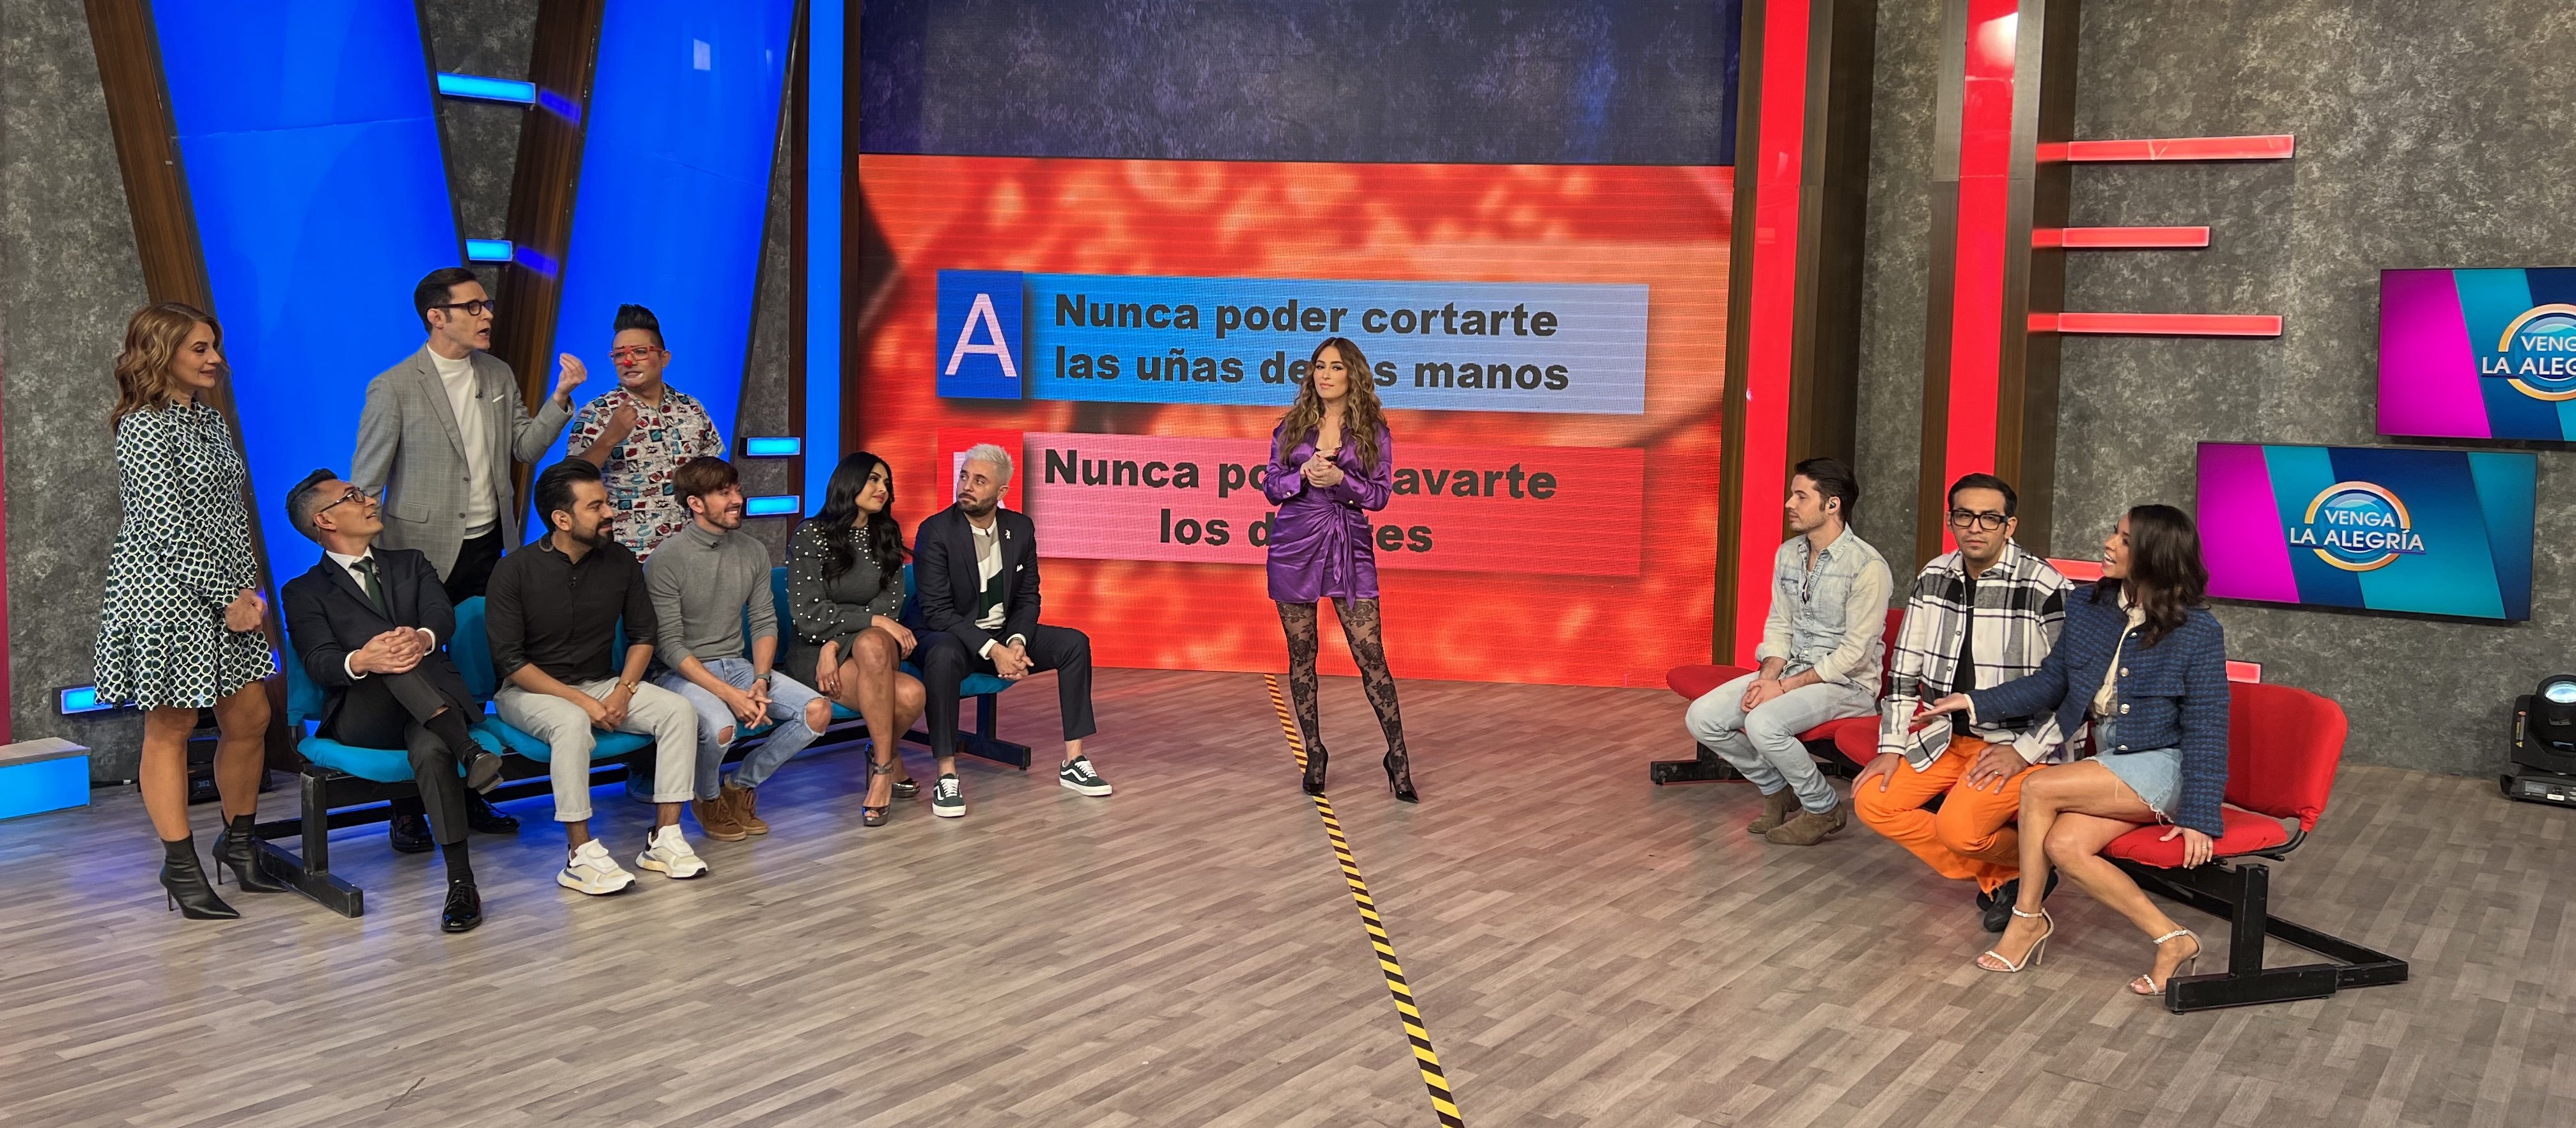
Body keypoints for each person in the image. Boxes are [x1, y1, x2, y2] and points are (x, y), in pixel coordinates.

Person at [1915, 505, 2229, 996]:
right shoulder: (2089, 605)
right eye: (2114, 533)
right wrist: (1975, 701)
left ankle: (2027, 919)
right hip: (2112, 762)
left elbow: (2208, 726)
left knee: (2039, 788)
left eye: (2125, 540)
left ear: (2155, 555)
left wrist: (2201, 816)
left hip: (2166, 765)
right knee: (2063, 846)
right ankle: (2173, 939)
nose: (2109, 544)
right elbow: (2052, 682)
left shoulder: (2198, 631)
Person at [355, 265, 584, 850]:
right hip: (417, 551)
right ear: (437, 316)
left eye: (488, 306)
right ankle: (408, 807)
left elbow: (524, 448)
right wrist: (367, 562)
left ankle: (473, 789)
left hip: (490, 544)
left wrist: (561, 399)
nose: (488, 315)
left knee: (478, 666)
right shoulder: (393, 386)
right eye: (474, 306)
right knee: (415, 670)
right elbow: (367, 480)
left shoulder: (497, 372)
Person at [91, 302, 282, 920]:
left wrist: (249, 589)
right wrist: (224, 596)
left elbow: (230, 514)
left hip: (228, 592)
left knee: (250, 717)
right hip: (166, 596)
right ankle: (179, 866)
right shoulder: (142, 426)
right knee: (171, 727)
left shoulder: (210, 419)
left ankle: (240, 844)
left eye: (214, 347)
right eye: (200, 349)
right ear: (161, 352)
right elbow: (165, 531)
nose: (215, 359)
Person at [279, 470, 506, 932]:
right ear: (325, 520)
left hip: (430, 708)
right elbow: (320, 660)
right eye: (352, 496)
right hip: (365, 714)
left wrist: (421, 638)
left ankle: (461, 883)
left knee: (431, 747)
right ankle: (469, 750)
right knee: (389, 660)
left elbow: (441, 615)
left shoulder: (410, 562)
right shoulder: (303, 590)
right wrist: (364, 659)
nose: (369, 500)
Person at [1853, 474, 2072, 932]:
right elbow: (1903, 672)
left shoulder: (2045, 585)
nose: (1976, 527)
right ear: (1949, 520)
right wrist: (1891, 747)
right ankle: (2010, 872)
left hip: (2015, 743)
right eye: (1965, 516)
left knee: (1958, 830)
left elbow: (2074, 688)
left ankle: (2026, 869)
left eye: (1990, 518)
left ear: (2010, 526)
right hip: (1945, 738)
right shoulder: (1934, 576)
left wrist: (2024, 752)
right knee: (1872, 801)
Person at [487, 459, 706, 893]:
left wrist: (623, 691)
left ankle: (664, 838)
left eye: (606, 502)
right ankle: (579, 855)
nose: (610, 513)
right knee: (571, 722)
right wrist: (583, 702)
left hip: (603, 682)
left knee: (679, 711)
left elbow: (644, 635)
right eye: (596, 506)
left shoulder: (620, 560)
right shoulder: (514, 570)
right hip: (528, 690)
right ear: (562, 519)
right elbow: (511, 662)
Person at [1682, 457, 1892, 846]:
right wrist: (1767, 678)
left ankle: (1823, 807)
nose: (1789, 504)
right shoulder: (1789, 554)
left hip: (1847, 686)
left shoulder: (1868, 567)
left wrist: (1782, 688)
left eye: (1800, 496)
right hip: (1790, 671)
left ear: (1832, 504)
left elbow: (1855, 653)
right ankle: (1778, 788)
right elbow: (1780, 624)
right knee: (1703, 718)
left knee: (1764, 723)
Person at [912, 444, 1111, 817]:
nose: (966, 486)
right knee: (943, 654)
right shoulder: (936, 531)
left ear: (1001, 491)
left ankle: (1074, 761)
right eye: (964, 476)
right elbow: (937, 613)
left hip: (1003, 635)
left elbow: (1028, 596)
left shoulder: (1020, 528)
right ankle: (947, 774)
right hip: (950, 636)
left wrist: (1017, 641)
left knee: (1074, 644)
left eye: (979, 480)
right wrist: (994, 650)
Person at [646, 457, 834, 840]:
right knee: (722, 728)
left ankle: (739, 786)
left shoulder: (752, 550)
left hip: (739, 666)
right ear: (695, 503)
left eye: (736, 489)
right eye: (724, 493)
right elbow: (669, 646)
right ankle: (707, 796)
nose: (737, 499)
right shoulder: (665, 559)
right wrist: (730, 695)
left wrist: (761, 680)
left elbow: (764, 620)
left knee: (816, 712)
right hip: (681, 673)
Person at [1260, 336, 1414, 801]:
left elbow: (1380, 496)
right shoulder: (1290, 427)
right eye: (1319, 366)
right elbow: (1271, 486)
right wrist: (1302, 476)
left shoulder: (1373, 431)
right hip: (1294, 544)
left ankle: (1398, 757)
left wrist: (1343, 480)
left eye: (1336, 367)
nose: (1325, 375)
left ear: (1354, 375)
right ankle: (1315, 752)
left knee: (1371, 657)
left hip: (1349, 543)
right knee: (1302, 656)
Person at [786, 451, 926, 826]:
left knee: (873, 643)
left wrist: (839, 641)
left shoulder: (887, 535)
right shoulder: (811, 534)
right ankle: (888, 759)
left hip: (868, 648)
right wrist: (840, 639)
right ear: (849, 483)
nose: (883, 489)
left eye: (886, 483)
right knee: (911, 694)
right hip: (814, 651)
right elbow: (809, 614)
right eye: (874, 480)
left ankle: (881, 769)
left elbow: (889, 608)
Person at [566, 304, 725, 560]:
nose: (628, 362)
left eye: (640, 352)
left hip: (693, 552)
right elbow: (571, 479)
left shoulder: (692, 408)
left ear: (664, 358)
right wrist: (610, 438)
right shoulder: (596, 413)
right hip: (629, 557)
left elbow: (712, 476)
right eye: (619, 355)